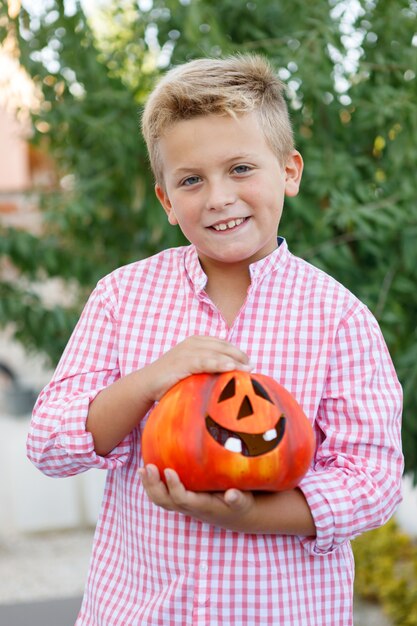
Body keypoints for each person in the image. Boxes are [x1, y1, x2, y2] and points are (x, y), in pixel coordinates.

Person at [27, 54, 403, 626]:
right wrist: (151, 380)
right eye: (191, 180)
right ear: (167, 202)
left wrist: (248, 516)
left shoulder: (340, 319)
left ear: (290, 172)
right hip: (137, 612)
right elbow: (50, 443)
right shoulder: (121, 298)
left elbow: (371, 482)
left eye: (241, 169)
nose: (219, 197)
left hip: (284, 613)